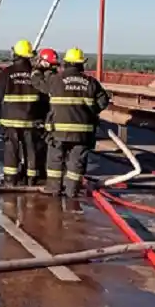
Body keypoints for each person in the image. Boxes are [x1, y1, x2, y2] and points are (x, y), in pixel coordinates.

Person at [30, 47, 111, 197]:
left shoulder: (56, 80)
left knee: (55, 159)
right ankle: (72, 191)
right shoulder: (91, 82)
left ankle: (53, 188)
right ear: (81, 64)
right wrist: (89, 112)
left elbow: (38, 83)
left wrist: (37, 69)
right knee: (76, 162)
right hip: (83, 133)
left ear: (66, 63)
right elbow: (103, 102)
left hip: (58, 131)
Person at [0, 40, 45, 187]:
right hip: (31, 119)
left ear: (16, 54)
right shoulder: (35, 74)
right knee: (31, 149)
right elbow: (44, 97)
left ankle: (10, 180)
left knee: (11, 149)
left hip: (10, 120)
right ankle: (31, 179)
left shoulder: (7, 72)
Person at [31, 48, 59, 184]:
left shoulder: (39, 76)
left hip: (41, 114)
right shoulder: (56, 77)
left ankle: (39, 174)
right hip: (49, 114)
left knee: (40, 146)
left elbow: (43, 88)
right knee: (46, 146)